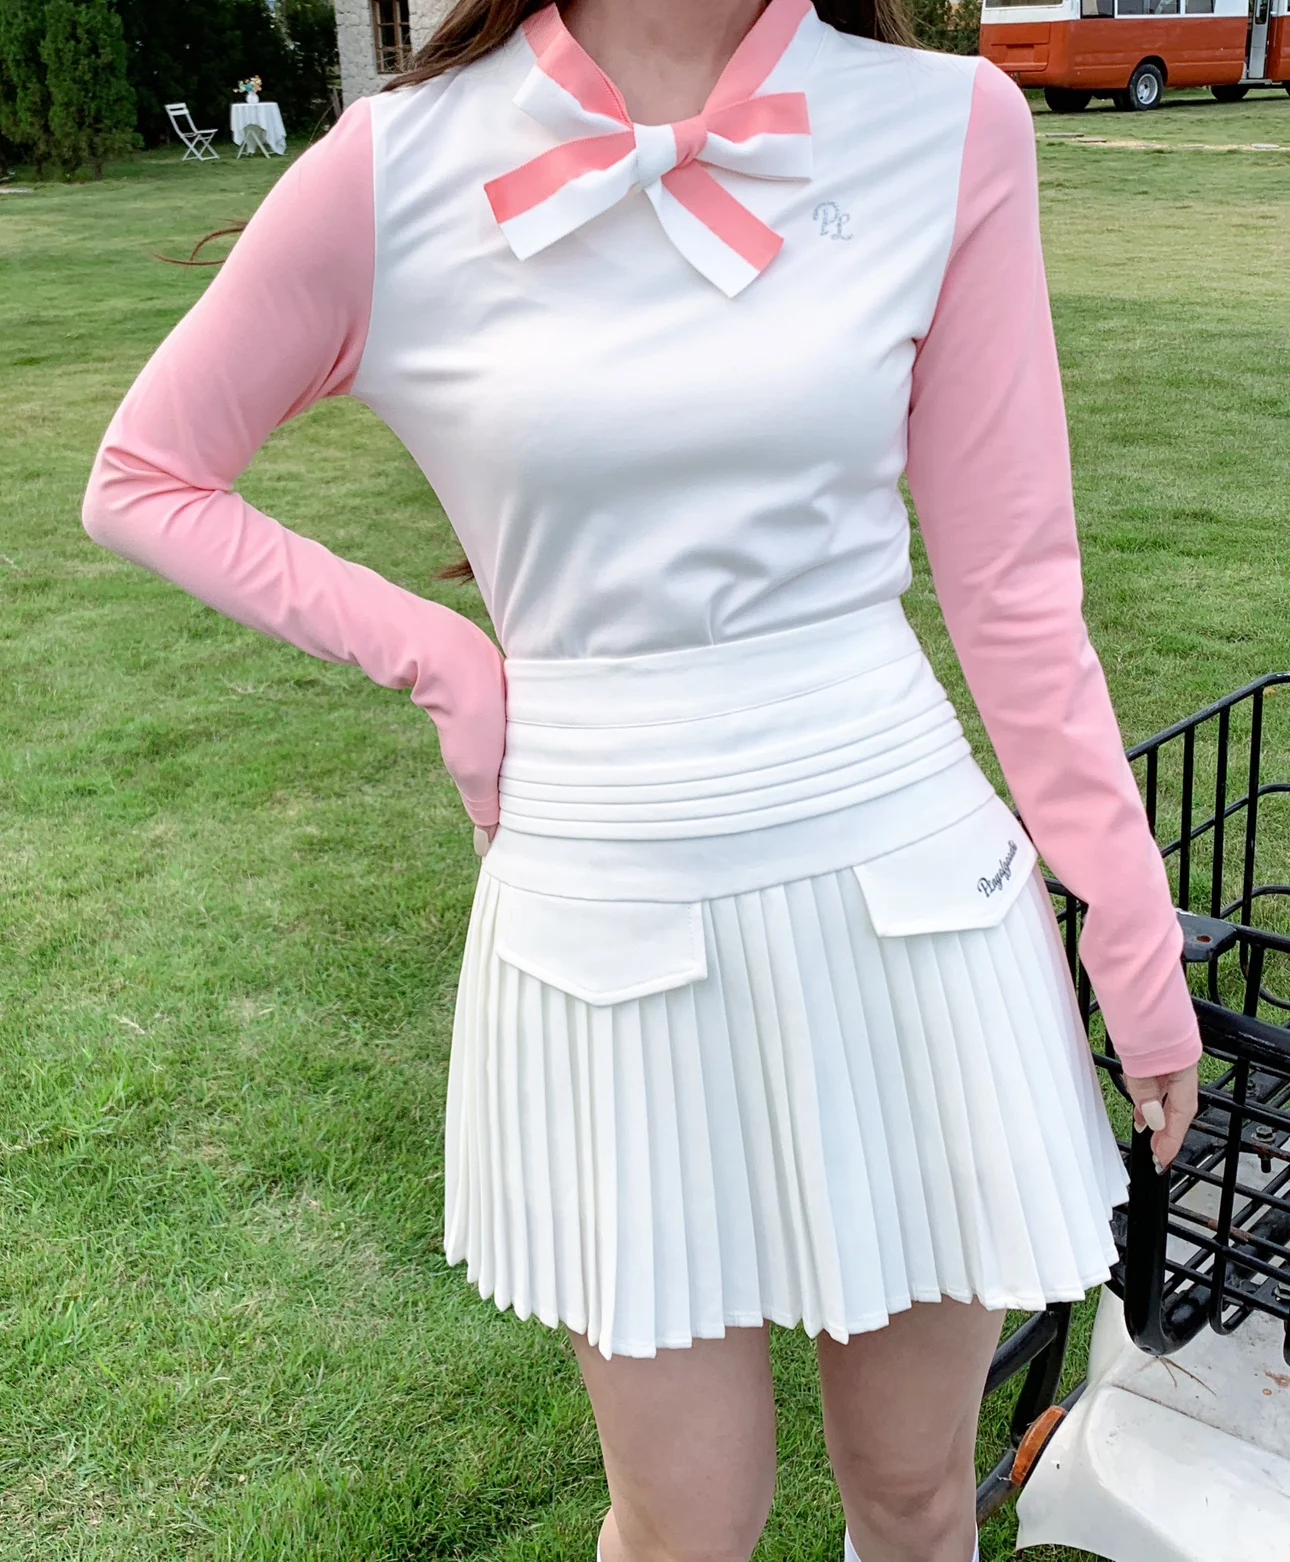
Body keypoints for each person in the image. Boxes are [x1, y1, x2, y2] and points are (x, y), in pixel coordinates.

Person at [81, 1, 1202, 1558]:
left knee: (915, 1494)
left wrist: (1131, 938)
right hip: (600, 910)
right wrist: (442, 655)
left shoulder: (946, 124)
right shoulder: (397, 164)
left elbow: (1015, 590)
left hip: (909, 899)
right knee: (683, 1523)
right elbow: (144, 473)